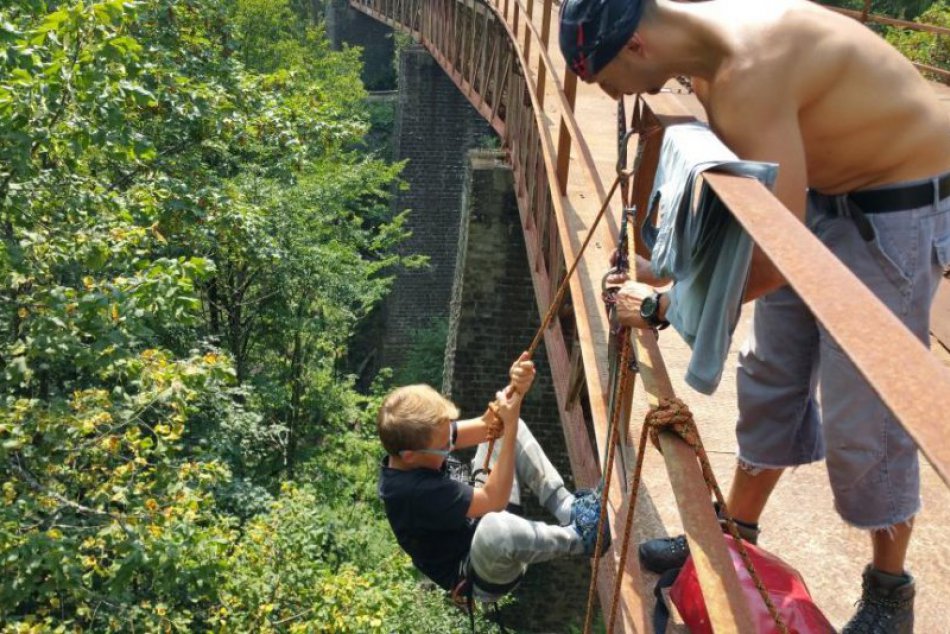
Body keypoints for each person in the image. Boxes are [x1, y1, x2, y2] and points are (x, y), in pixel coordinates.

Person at [558, 0, 950, 631]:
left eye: (604, 82)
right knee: (770, 376)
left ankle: (888, 593)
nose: (613, 97)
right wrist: (659, 263)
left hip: (893, 207)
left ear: (634, 47)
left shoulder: (746, 66)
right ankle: (732, 539)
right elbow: (754, 201)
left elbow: (773, 255)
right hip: (819, 193)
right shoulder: (704, 49)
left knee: (867, 413)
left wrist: (662, 304)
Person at [376, 353, 609, 609]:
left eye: (450, 440)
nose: (449, 447)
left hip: (479, 515)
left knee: (509, 428)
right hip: (481, 568)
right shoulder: (412, 493)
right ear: (409, 456)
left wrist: (515, 389)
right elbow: (494, 501)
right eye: (444, 446)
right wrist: (507, 430)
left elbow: (488, 425)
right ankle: (582, 538)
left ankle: (569, 507)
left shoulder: (419, 444)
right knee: (495, 527)